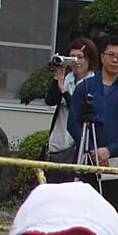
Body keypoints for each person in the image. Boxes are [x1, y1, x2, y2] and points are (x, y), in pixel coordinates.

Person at [68, 37, 118, 213]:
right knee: (81, 208)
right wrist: (91, 149)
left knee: (110, 209)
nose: (115, 60)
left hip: (115, 160)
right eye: (111, 55)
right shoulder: (85, 87)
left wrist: (109, 150)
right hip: (85, 157)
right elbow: (72, 123)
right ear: (102, 57)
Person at [44, 37, 98, 166]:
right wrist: (57, 77)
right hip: (57, 141)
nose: (76, 62)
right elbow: (50, 100)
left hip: (76, 146)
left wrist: (63, 90)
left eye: (80, 57)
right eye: (72, 57)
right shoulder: (68, 79)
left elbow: (77, 109)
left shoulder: (93, 84)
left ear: (89, 59)